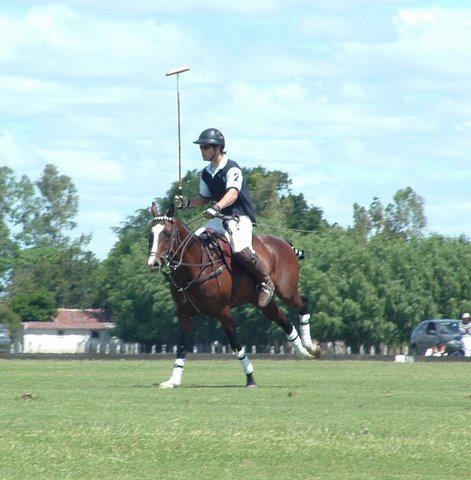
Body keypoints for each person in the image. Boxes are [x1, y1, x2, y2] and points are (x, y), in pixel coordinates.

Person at [174, 128, 275, 308]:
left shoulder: (232, 168)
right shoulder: (206, 173)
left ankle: (266, 282)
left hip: (239, 218)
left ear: (217, 148)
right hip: (219, 219)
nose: (202, 150)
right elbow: (203, 198)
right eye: (201, 147)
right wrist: (187, 202)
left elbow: (233, 194)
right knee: (192, 242)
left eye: (205, 147)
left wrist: (217, 207)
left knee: (240, 250)